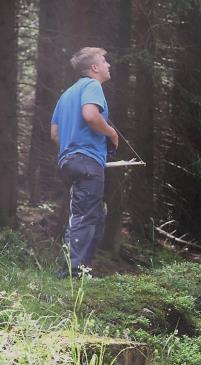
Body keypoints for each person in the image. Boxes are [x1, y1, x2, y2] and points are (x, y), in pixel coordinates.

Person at [51, 47, 118, 278]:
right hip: (87, 162)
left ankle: (82, 269)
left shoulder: (66, 94)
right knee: (85, 216)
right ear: (94, 68)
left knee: (94, 216)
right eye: (104, 61)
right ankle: (72, 273)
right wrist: (111, 134)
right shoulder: (92, 86)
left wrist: (73, 148)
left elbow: (55, 134)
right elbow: (90, 115)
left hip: (68, 161)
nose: (108, 65)